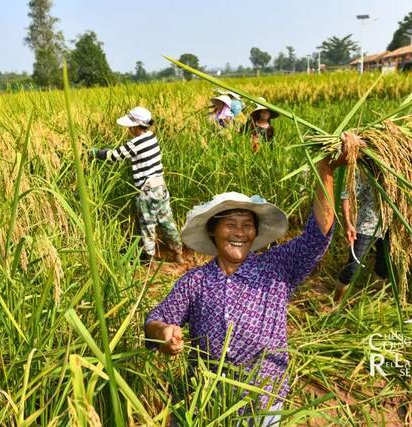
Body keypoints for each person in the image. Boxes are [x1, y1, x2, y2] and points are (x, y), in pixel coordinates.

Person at [144, 134, 358, 425]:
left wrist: (327, 171)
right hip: (208, 400)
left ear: (256, 234)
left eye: (247, 226)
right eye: (230, 225)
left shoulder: (277, 268)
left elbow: (316, 238)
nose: (239, 233)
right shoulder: (195, 281)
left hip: (264, 399)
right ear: (213, 233)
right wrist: (164, 333)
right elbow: (155, 320)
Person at [90, 106, 184, 264]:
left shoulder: (136, 143)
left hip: (147, 192)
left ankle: (150, 260)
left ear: (134, 126)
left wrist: (95, 153)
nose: (128, 130)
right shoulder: (151, 137)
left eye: (129, 127)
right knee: (167, 222)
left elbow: (114, 156)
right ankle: (178, 254)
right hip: (160, 188)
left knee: (147, 226)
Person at [335, 169, 388, 302]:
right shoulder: (365, 171)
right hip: (366, 226)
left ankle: (374, 303)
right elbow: (346, 195)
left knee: (383, 268)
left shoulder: (399, 170)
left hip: (389, 228)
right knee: (352, 267)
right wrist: (348, 224)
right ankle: (335, 303)